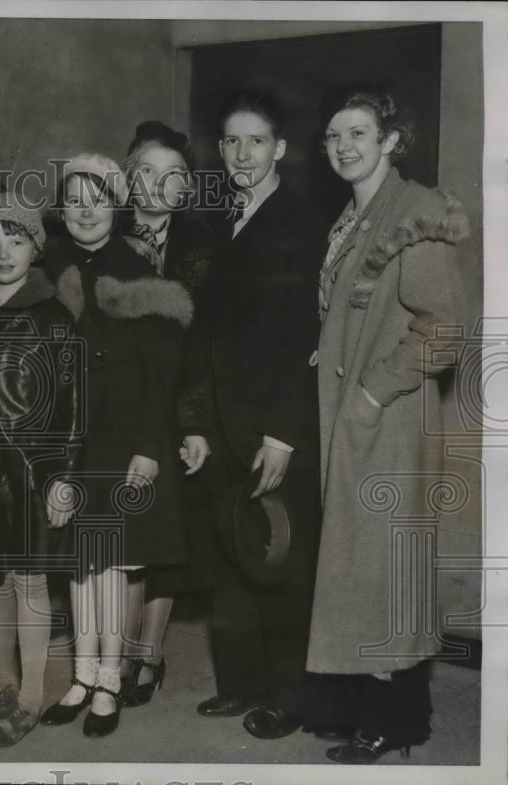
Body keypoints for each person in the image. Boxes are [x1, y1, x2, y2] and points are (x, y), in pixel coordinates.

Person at [308, 84, 468, 764]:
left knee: (381, 569)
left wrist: (373, 390)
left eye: (358, 134)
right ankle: (377, 712)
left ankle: (397, 721)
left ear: (391, 140)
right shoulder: (355, 213)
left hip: (390, 420)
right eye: (334, 135)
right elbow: (356, 310)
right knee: (361, 567)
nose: (343, 145)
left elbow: (446, 329)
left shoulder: (418, 210)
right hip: (354, 418)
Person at [184, 88, 324, 740]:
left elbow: (303, 340)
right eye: (232, 141)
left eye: (256, 141)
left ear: (281, 150)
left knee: (280, 566)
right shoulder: (223, 217)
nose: (242, 154)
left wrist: (282, 434)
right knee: (232, 560)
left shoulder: (298, 223)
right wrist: (196, 423)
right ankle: (240, 683)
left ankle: (289, 697)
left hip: (273, 431)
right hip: (222, 427)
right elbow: (206, 333)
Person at [39, 154, 193, 738]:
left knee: (116, 563)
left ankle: (110, 678)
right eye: (73, 198)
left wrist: (151, 447)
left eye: (95, 198)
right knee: (81, 562)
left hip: (125, 435)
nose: (83, 209)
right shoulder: (54, 267)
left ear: (116, 205)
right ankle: (81, 675)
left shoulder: (138, 272)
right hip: (76, 436)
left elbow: (163, 375)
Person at [0, 194, 81, 746]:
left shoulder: (54, 317)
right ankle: (2, 684)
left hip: (34, 472)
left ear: (36, 249)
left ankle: (32, 693)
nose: (3, 252)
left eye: (16, 241)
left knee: (32, 580)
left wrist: (63, 475)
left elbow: (72, 404)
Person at [119, 121, 215, 708]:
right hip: (118, 401)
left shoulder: (202, 242)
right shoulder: (101, 228)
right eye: (148, 172)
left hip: (178, 401)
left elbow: (205, 341)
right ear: (130, 178)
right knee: (121, 531)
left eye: (173, 175)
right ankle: (113, 650)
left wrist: (195, 420)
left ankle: (149, 654)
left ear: (186, 187)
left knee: (165, 535)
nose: (159, 184)